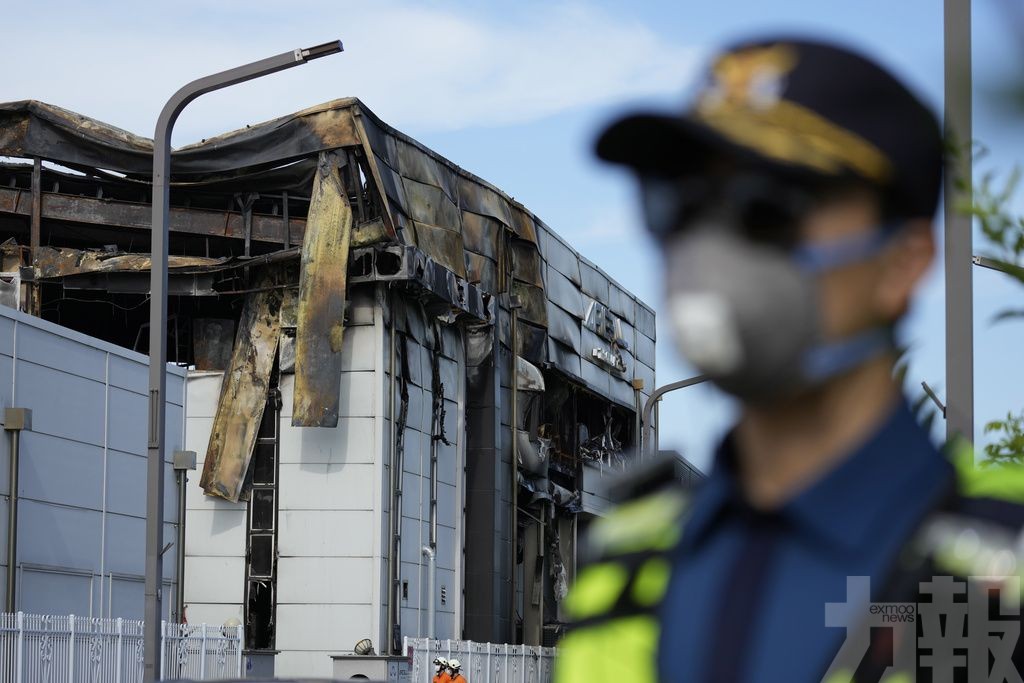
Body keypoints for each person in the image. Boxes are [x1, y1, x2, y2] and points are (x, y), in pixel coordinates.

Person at [554, 37, 1024, 683]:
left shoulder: (1005, 562)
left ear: (903, 261)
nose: (709, 248)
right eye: (682, 204)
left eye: (767, 209)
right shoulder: (628, 559)